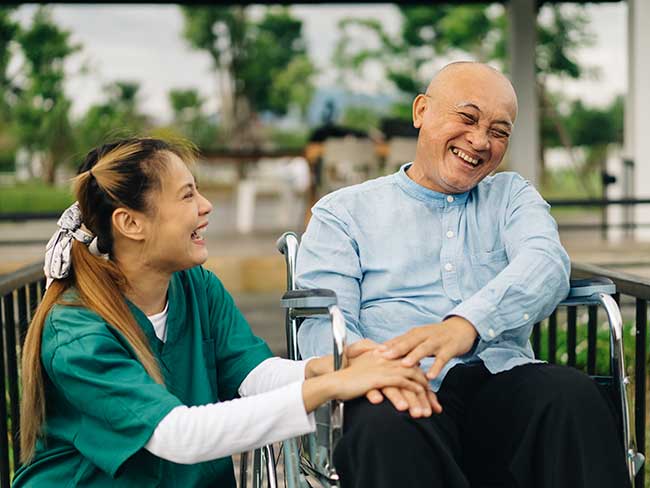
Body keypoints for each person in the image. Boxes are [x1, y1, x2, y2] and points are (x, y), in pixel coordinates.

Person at [13, 138, 432, 487]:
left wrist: (328, 367)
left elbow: (251, 375)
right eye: (187, 194)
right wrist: (332, 387)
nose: (207, 206)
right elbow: (177, 435)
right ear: (130, 224)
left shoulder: (195, 286)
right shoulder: (76, 332)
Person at [296, 62, 630, 488]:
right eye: (467, 118)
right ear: (421, 112)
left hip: (501, 380)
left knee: (569, 395)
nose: (479, 141)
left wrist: (467, 324)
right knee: (382, 426)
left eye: (499, 131)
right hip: (399, 388)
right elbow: (324, 322)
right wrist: (376, 368)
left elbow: (546, 261)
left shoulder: (511, 196)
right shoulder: (343, 212)